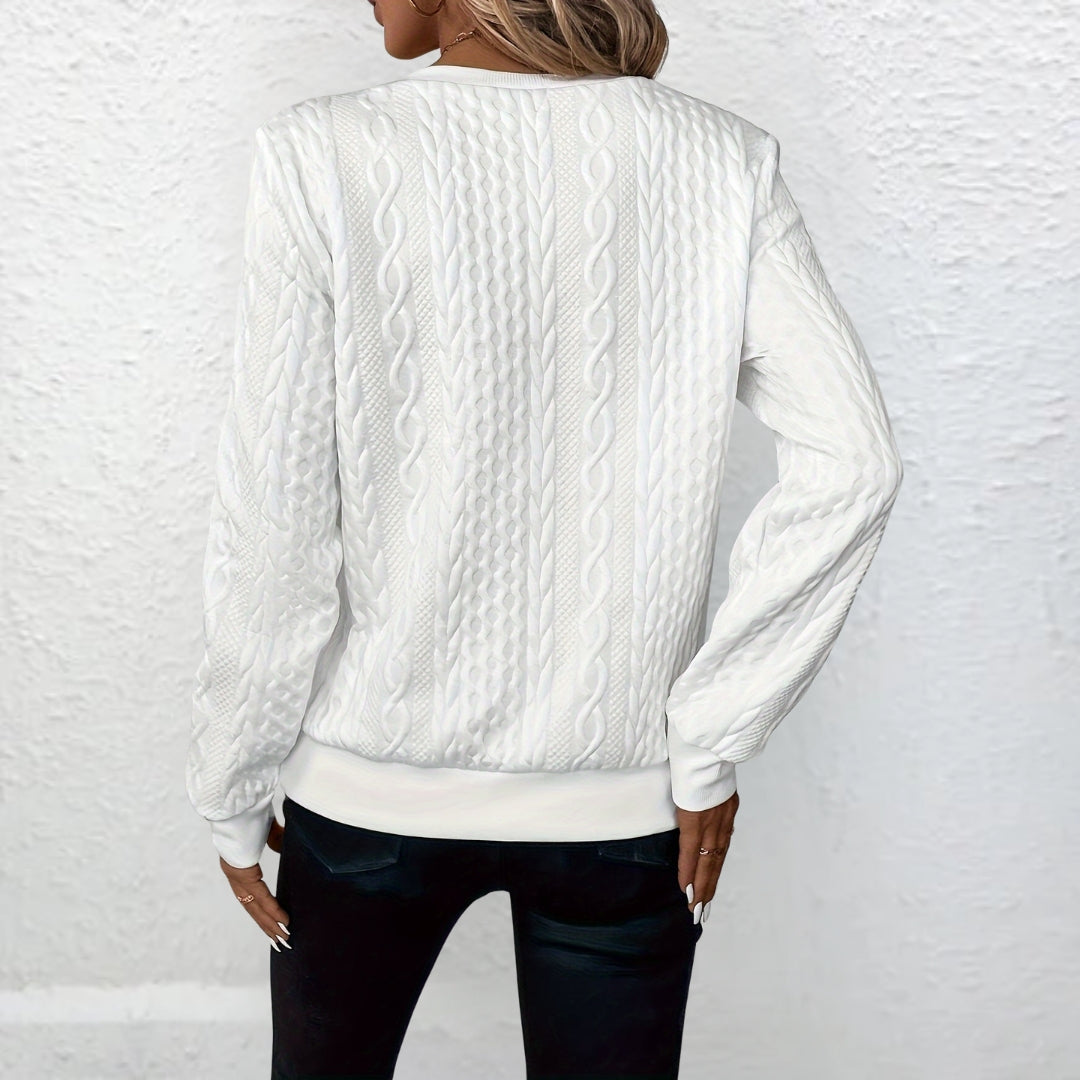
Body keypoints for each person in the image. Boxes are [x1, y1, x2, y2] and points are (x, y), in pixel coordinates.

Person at [185, 0, 904, 1076]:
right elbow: (857, 461)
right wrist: (707, 737)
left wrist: (233, 780)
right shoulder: (722, 159)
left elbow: (276, 508)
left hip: (368, 805)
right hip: (627, 815)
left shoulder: (323, 151)